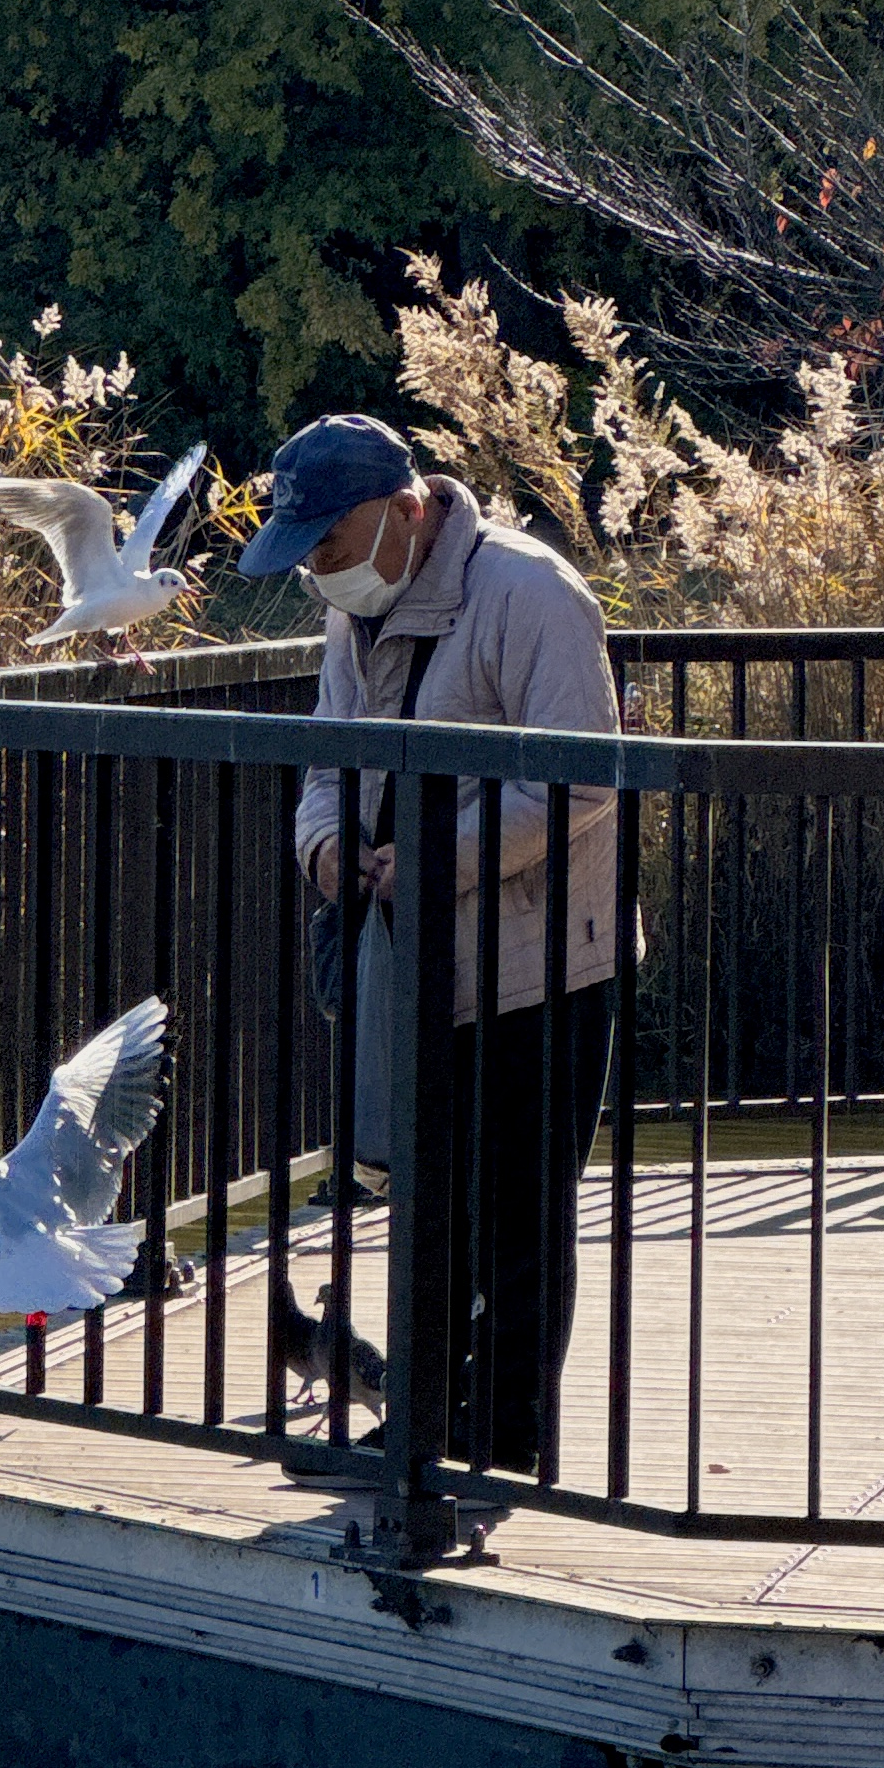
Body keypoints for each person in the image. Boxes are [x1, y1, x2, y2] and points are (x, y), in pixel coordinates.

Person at [239, 415, 621, 1475]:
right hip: (415, 957)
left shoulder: (532, 593)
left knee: (520, 1214)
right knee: (431, 1200)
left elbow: (582, 778)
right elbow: (326, 764)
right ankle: (426, 1427)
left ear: (407, 511)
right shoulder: (350, 611)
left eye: (329, 540)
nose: (316, 566)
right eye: (303, 547)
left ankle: (500, 1442)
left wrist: (439, 857)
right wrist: (325, 851)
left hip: (540, 958)